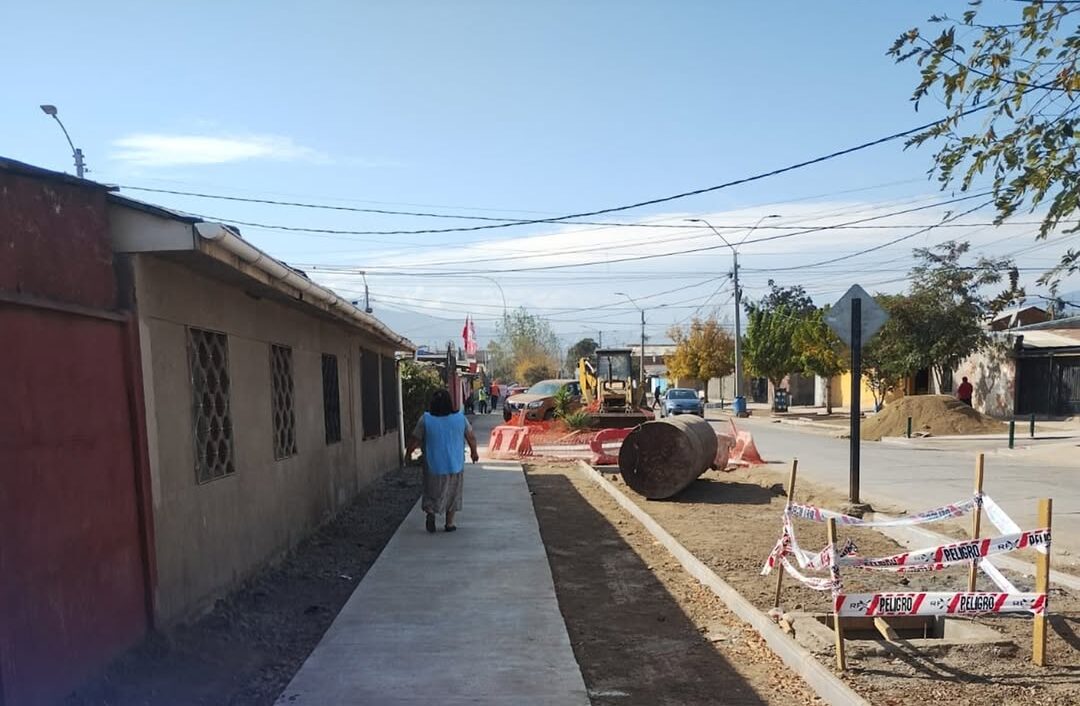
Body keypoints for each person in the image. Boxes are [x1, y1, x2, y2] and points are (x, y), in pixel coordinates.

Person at [405, 388, 480, 533]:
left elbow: (415, 439)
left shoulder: (425, 419)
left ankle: (430, 512)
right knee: (453, 493)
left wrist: (408, 454)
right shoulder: (460, 418)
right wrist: (474, 453)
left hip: (433, 464)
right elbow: (471, 437)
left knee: (431, 491)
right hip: (455, 463)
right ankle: (449, 523)